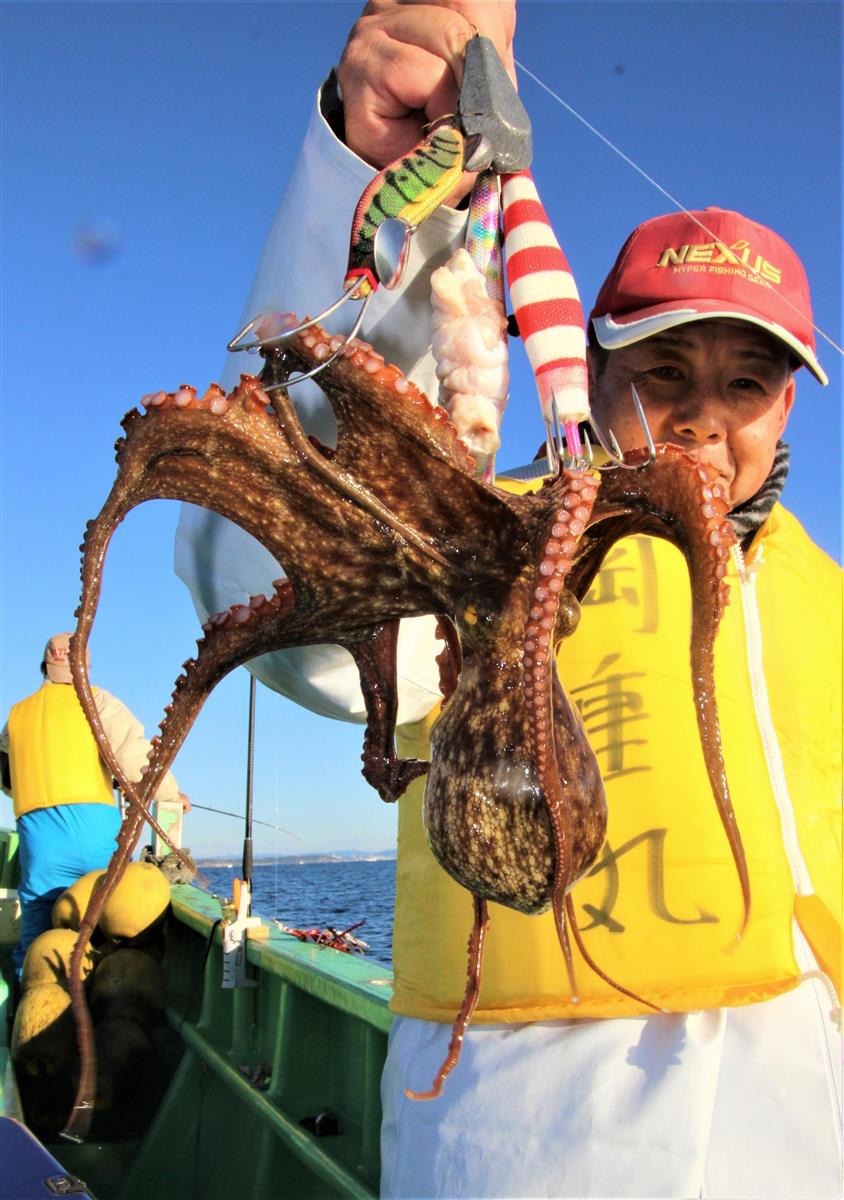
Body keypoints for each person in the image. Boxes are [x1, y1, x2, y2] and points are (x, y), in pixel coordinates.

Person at [175, 3, 842, 1196]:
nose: (701, 414)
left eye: (746, 380)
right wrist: (367, 172)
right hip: (530, 1113)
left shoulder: (823, 595)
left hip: (809, 1104)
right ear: (585, 364)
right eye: (661, 371)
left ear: (787, 406)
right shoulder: (495, 532)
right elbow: (266, 588)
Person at [0, 632, 189, 973]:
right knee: (109, 926)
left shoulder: (16, 716)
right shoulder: (97, 701)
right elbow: (138, 761)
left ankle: (26, 1007)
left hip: (38, 837)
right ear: (85, 665)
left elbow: (8, 779)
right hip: (94, 831)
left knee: (38, 933)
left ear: (45, 666)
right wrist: (171, 795)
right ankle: (105, 998)